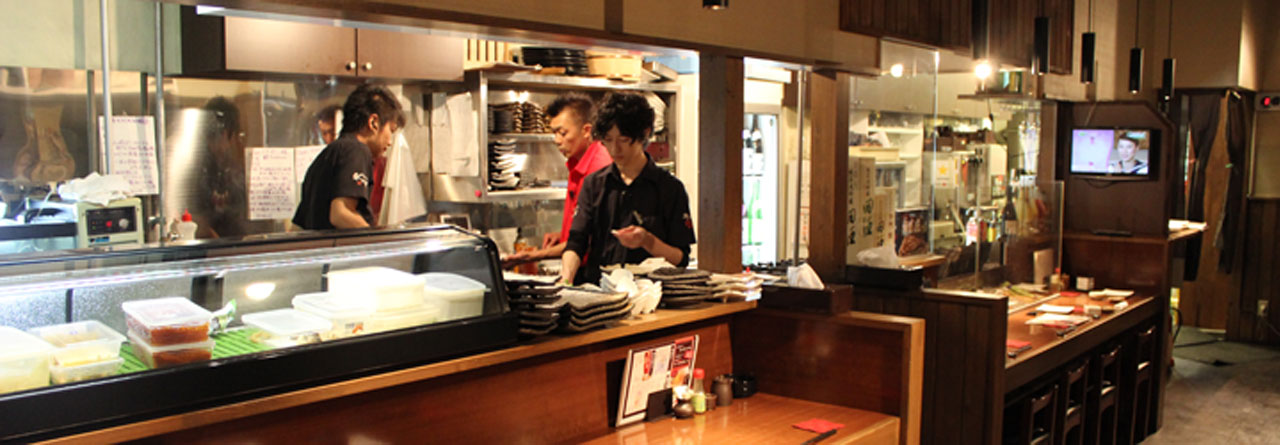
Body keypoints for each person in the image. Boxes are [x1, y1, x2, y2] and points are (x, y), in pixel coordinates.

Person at [560, 92, 695, 285]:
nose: (615, 149)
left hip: (653, 295)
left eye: (623, 140)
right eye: (607, 140)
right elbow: (576, 242)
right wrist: (565, 279)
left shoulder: (669, 188)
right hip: (601, 294)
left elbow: (681, 258)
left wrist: (647, 241)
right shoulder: (594, 184)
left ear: (645, 133)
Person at [502, 93, 612, 268]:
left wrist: (534, 255)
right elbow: (583, 226)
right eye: (554, 133)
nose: (557, 141)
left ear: (586, 130)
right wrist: (563, 236)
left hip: (596, 271)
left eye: (562, 133)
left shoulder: (599, 169)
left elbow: (589, 240)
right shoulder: (577, 162)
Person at [293, 85, 404, 230]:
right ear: (373, 123)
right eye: (391, 130)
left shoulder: (326, 155)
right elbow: (341, 214)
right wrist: (376, 243)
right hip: (339, 252)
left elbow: (298, 226)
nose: (390, 142)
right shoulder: (356, 150)